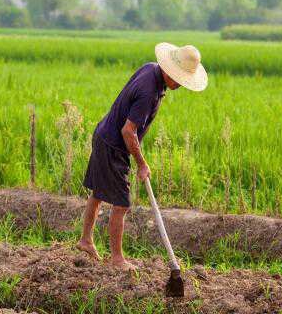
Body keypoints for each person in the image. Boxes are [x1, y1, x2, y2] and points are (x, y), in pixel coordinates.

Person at [76, 42, 208, 270]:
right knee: (122, 204)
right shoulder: (149, 92)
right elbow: (128, 131)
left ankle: (86, 240)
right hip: (113, 146)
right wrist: (141, 164)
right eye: (179, 79)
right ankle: (117, 260)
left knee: (98, 193)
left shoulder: (150, 69)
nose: (179, 85)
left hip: (103, 134)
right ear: (170, 71)